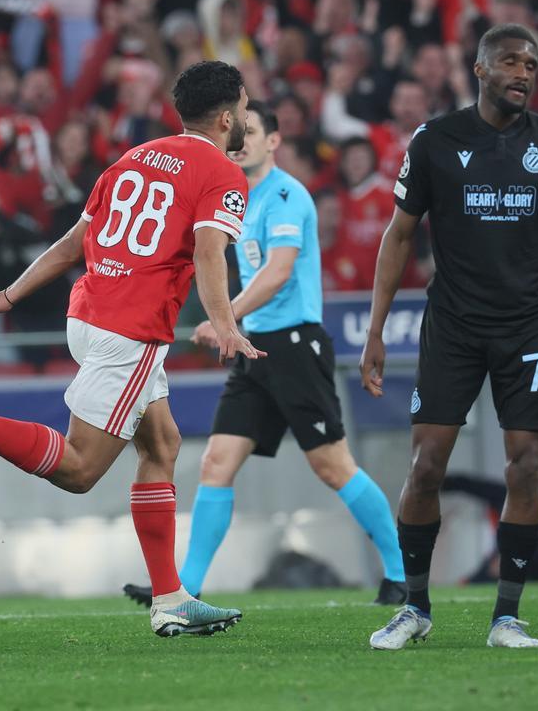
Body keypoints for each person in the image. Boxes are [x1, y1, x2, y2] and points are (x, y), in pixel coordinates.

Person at [0, 61, 259, 637]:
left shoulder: (133, 158)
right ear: (226, 116)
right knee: (81, 469)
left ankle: (170, 600)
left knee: (161, 444)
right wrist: (226, 321)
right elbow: (211, 252)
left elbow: (70, 247)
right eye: (244, 105)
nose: (247, 115)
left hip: (86, 314)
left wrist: (7, 295)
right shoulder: (222, 174)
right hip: (129, 330)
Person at [362, 24, 538, 650]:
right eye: (512, 61)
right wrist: (377, 329)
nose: (524, 72)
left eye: (532, 64)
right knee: (426, 464)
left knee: (527, 467)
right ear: (480, 68)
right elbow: (400, 235)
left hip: (530, 328)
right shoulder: (436, 140)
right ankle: (414, 607)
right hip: (453, 327)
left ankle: (507, 617)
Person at [122, 102, 407, 609]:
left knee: (333, 467)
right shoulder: (233, 197)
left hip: (295, 344)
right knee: (215, 462)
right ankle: (184, 588)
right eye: (239, 131)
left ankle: (401, 573)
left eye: (253, 131)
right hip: (255, 348)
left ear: (274, 142)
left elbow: (277, 273)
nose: (244, 138)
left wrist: (223, 317)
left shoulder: (286, 194)